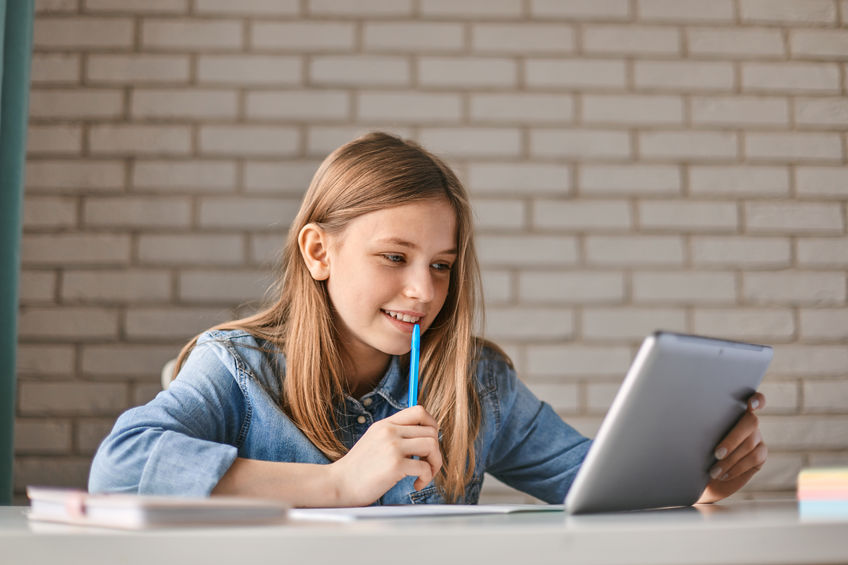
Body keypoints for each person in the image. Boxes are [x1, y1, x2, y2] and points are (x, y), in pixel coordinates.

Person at [88, 132, 767, 507]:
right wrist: (337, 483)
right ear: (319, 251)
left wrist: (700, 478)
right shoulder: (238, 368)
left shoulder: (474, 383)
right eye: (394, 256)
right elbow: (119, 467)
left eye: (441, 264)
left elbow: (595, 479)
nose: (421, 289)